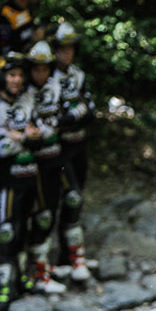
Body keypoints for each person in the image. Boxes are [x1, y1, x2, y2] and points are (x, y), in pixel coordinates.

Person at [52, 22, 95, 283]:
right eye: (62, 49)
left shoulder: (78, 74)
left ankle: (66, 257)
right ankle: (65, 259)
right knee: (70, 197)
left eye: (70, 49)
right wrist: (71, 114)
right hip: (57, 150)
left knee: (76, 199)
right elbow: (53, 115)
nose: (66, 54)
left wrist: (72, 115)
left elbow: (89, 109)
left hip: (79, 144)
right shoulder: (46, 76)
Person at [24, 39, 65, 294]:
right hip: (29, 165)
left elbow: (64, 116)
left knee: (52, 211)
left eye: (44, 68)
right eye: (36, 68)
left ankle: (43, 267)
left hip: (55, 159)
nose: (41, 73)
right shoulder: (22, 93)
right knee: (37, 216)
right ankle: (35, 273)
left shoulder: (57, 87)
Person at [0, 52, 38, 311]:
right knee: (7, 229)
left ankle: (21, 275)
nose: (16, 80)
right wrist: (15, 138)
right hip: (6, 180)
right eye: (12, 75)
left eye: (19, 76)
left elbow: (41, 130)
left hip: (30, 174)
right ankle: (3, 284)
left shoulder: (27, 100)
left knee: (24, 226)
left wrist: (23, 136)